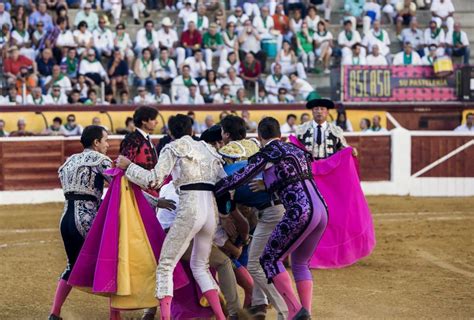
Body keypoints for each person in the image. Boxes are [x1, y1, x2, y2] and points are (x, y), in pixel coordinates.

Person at [215, 116, 328, 319]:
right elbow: (293, 176)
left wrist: (218, 187)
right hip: (321, 209)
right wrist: (269, 184)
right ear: (281, 135)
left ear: (259, 136)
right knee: (300, 263)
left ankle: (294, 312)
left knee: (268, 259)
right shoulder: (297, 150)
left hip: (299, 211)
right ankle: (306, 312)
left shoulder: (268, 153)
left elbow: (243, 176)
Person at [117, 114, 227, 320]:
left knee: (166, 265)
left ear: (170, 133)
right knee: (200, 266)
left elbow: (154, 180)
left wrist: (128, 167)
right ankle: (222, 317)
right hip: (210, 211)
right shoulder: (209, 149)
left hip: (190, 208)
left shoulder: (172, 147)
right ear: (192, 131)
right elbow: (224, 182)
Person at [48, 125, 112, 320]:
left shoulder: (69, 162)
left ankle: (55, 313)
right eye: (105, 140)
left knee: (71, 265)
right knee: (111, 261)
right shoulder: (101, 160)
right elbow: (120, 186)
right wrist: (153, 200)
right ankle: (114, 315)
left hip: (66, 217)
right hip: (86, 218)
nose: (107, 145)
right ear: (96, 142)